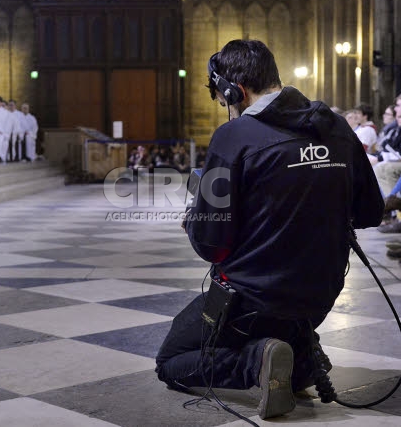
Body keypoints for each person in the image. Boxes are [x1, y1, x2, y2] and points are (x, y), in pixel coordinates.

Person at [155, 40, 384, 420]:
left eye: (224, 102)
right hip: (320, 295)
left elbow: (212, 245)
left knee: (172, 361)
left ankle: (258, 360)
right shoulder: (339, 128)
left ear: (236, 91)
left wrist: (195, 222)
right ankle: (300, 358)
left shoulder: (235, 137)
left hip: (253, 299)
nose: (227, 112)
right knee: (281, 316)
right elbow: (370, 212)